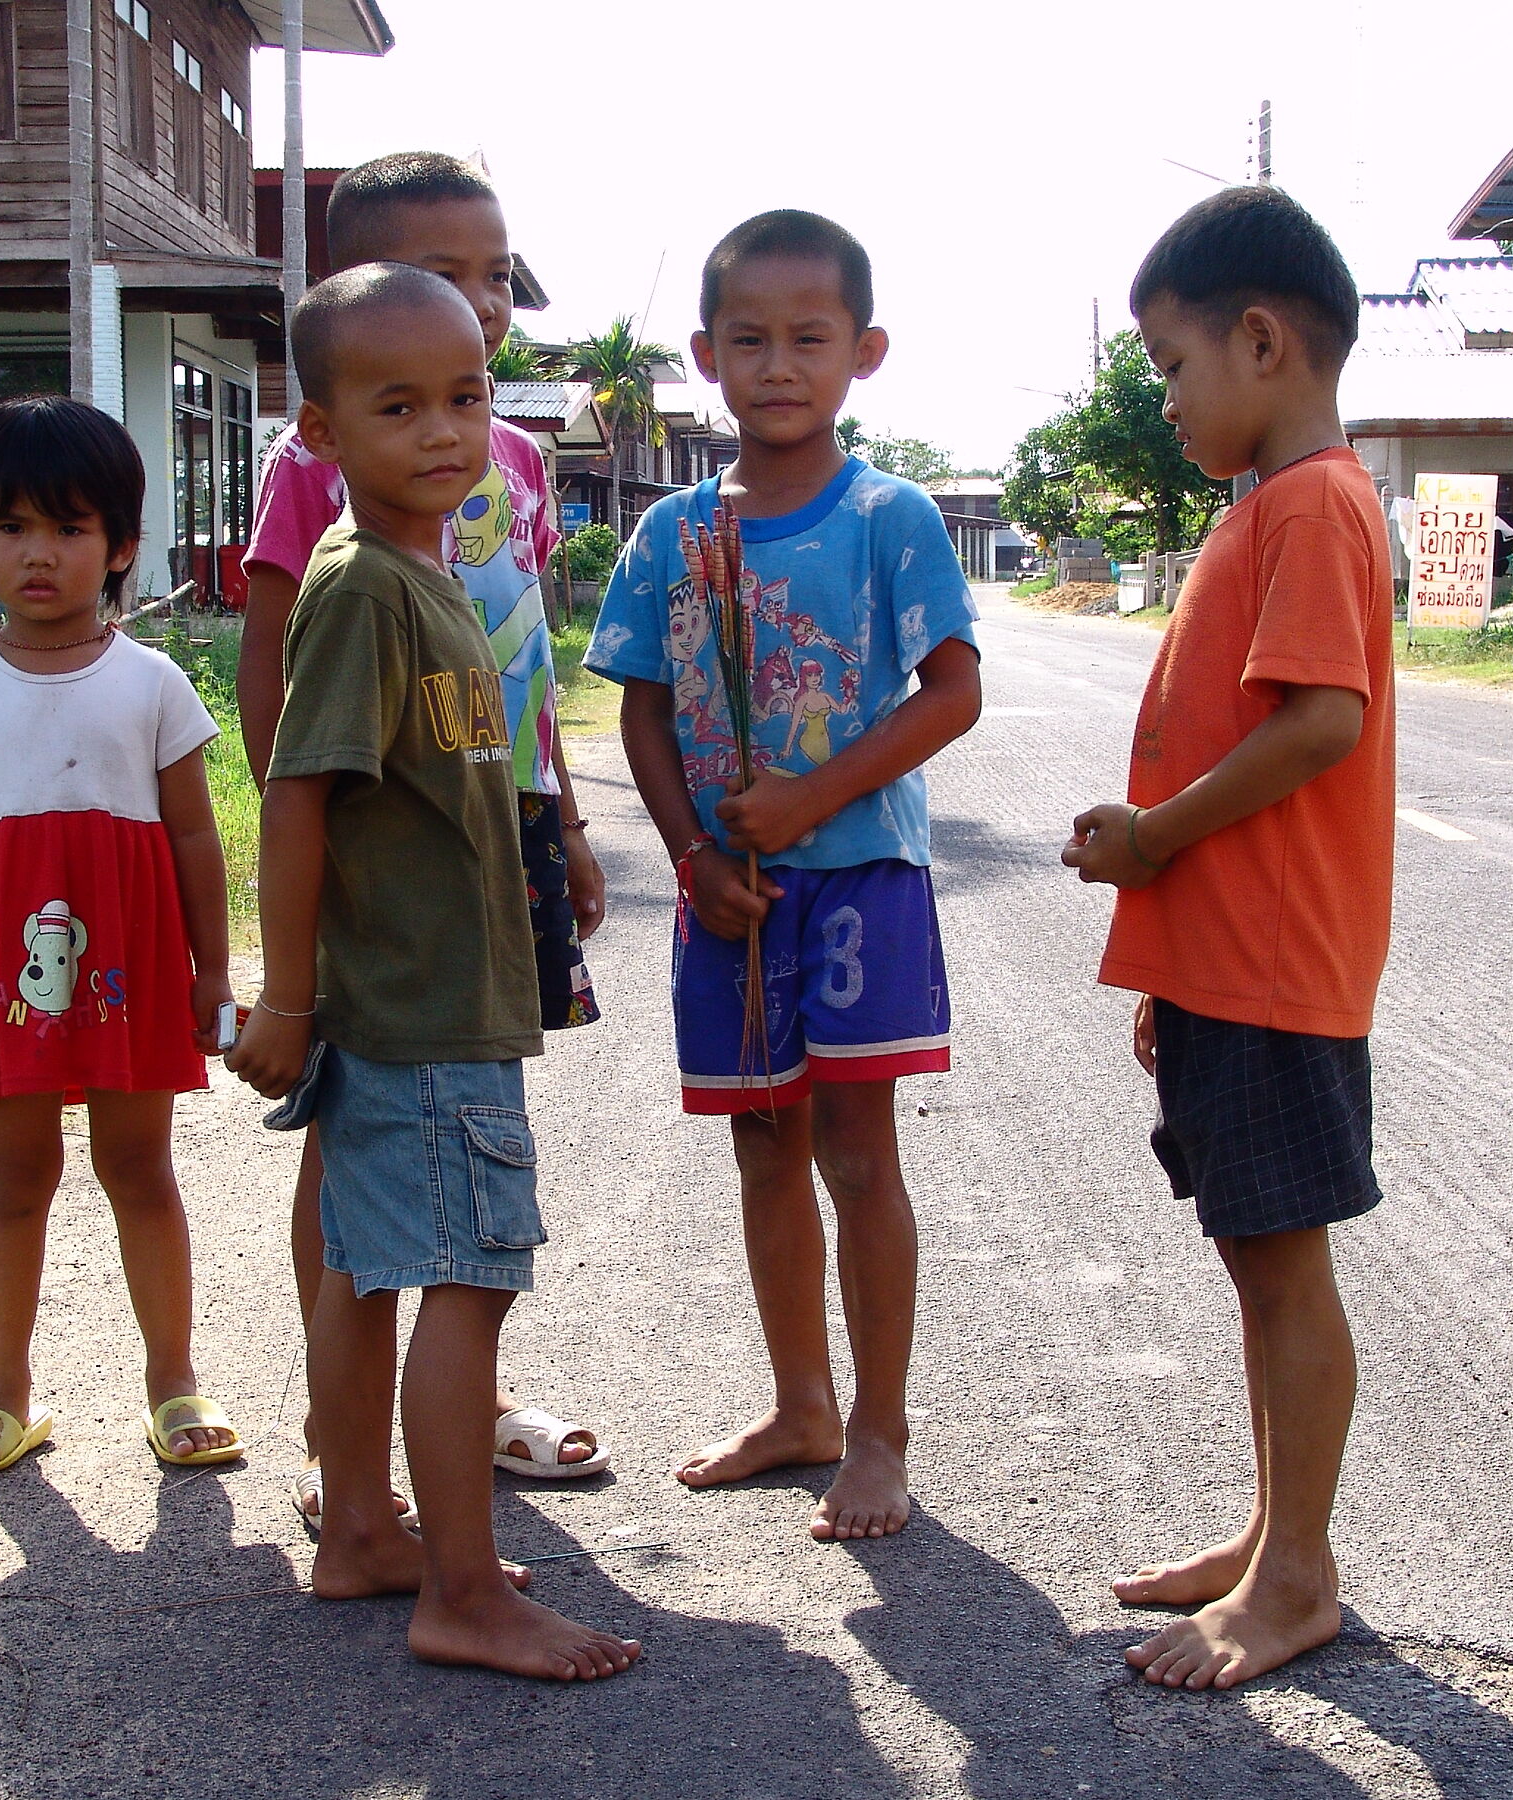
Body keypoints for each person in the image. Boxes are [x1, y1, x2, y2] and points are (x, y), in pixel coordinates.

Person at [227, 263, 640, 1680]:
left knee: (367, 1266)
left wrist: (555, 845)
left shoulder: (435, 573)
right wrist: (286, 998)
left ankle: (359, 1531)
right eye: (396, 405)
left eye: (463, 396)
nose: (444, 432)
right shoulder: (360, 591)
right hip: (413, 1014)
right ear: (321, 433)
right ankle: (462, 1589)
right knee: (470, 1276)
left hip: (430, 994)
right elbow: (298, 793)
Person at [585, 210, 982, 1541]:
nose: (778, 365)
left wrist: (811, 795)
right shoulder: (669, 536)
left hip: (860, 872)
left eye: (809, 338)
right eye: (748, 339)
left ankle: (880, 1431)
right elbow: (640, 707)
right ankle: (800, 1403)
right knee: (766, 1144)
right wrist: (693, 855)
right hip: (731, 895)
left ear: (863, 352)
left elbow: (954, 693)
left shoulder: (891, 517)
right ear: (705, 355)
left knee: (858, 1158)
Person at [1061, 185, 1395, 1690]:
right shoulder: (1266, 507)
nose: (1171, 396)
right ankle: (1274, 1538)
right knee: (1255, 1261)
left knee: (1281, 1270)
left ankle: (1300, 1574)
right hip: (1229, 966)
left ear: (1262, 342)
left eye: (1172, 367)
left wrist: (1155, 841)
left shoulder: (1316, 502)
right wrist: (1169, 947)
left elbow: (1322, 722)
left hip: (1273, 967)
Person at [0, 395, 243, 1477]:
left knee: (142, 1170)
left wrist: (213, 971)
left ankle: (174, 1385)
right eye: (12, 528)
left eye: (70, 529)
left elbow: (193, 835)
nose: (39, 554)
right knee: (13, 1180)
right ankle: (4, 1398)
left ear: (122, 546)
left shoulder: (153, 682)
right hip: (3, 973)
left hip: (130, 965)